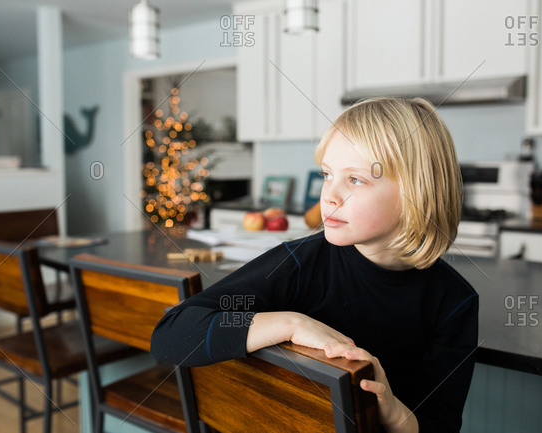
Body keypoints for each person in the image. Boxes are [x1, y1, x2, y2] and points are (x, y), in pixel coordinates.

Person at [151, 97, 478, 433]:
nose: (328, 196)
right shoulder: (299, 262)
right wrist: (291, 323)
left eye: (355, 180)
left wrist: (393, 411)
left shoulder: (455, 302)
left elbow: (441, 425)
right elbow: (172, 333)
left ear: (417, 193)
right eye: (327, 174)